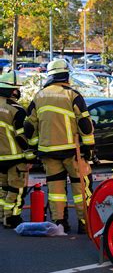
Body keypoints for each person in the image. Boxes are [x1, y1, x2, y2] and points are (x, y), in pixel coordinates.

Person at [24, 59, 95, 234]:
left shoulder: (38, 96)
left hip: (48, 151)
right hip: (72, 151)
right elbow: (85, 124)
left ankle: (59, 222)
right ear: (66, 75)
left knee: (56, 189)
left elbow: (29, 127)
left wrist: (34, 147)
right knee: (80, 187)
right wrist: (89, 149)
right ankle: (85, 222)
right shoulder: (72, 95)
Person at [0, 71, 32, 228]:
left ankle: (2, 216)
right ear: (13, 90)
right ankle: (12, 218)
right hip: (14, 157)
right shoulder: (17, 109)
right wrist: (29, 153)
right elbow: (21, 136)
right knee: (17, 189)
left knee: (2, 189)